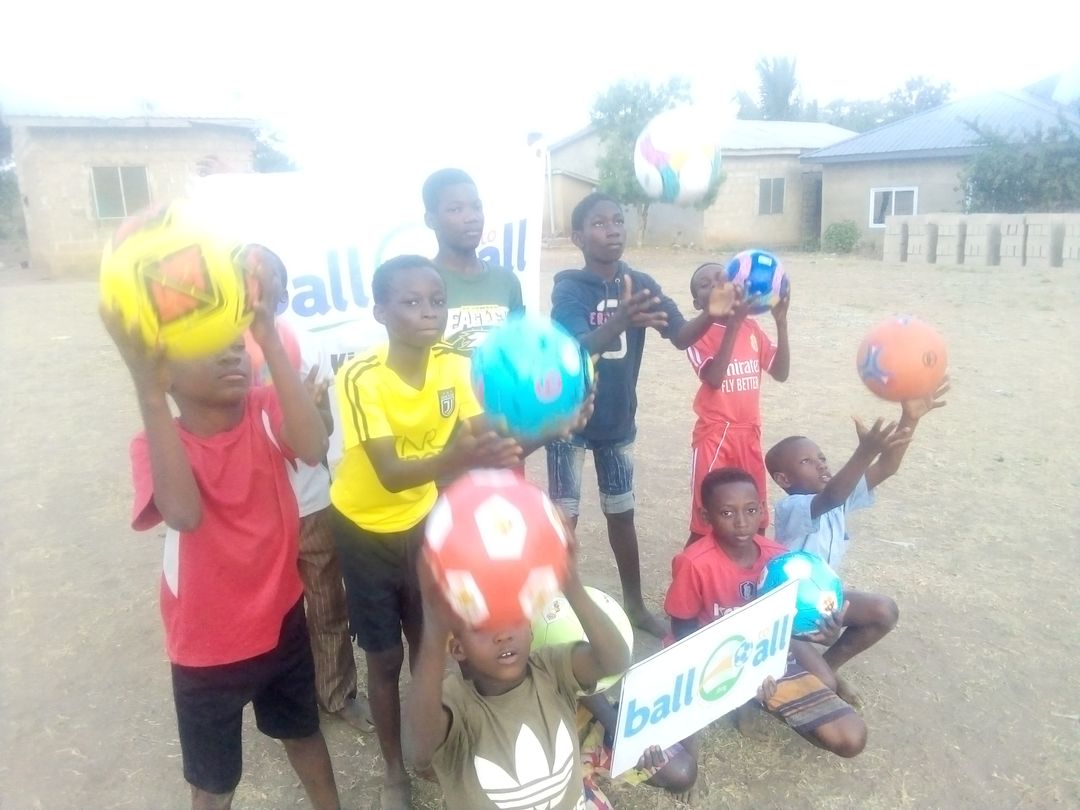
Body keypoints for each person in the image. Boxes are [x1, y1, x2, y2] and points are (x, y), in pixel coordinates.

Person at [104, 264, 340, 809]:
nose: (232, 351)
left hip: (281, 619)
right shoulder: (154, 445)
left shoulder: (264, 410)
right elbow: (184, 515)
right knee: (213, 783)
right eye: (208, 345)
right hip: (207, 646)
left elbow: (312, 446)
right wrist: (147, 392)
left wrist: (270, 341)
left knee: (303, 735)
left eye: (236, 342)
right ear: (166, 374)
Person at [331, 254, 522, 810]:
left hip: (423, 522)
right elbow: (391, 474)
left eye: (437, 301)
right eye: (411, 302)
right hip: (364, 529)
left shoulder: (454, 365)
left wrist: (546, 421)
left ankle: (426, 752)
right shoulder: (360, 377)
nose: (428, 312)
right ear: (380, 312)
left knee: (429, 644)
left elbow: (487, 437)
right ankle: (394, 769)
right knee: (384, 657)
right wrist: (456, 457)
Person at [547, 192, 734, 638]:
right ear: (578, 237)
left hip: (617, 420)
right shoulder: (569, 288)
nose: (612, 230)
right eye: (598, 223)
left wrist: (712, 314)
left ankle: (634, 605)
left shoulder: (641, 282)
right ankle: (553, 610)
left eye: (617, 220)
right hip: (569, 421)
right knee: (564, 521)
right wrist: (620, 320)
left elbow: (682, 336)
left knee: (622, 515)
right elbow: (576, 348)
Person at [402, 523, 631, 810]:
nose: (503, 635)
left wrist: (571, 583)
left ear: (531, 629)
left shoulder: (552, 669)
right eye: (483, 627)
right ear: (458, 649)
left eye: (513, 618)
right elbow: (418, 747)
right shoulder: (457, 705)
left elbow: (615, 660)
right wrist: (435, 632)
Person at [241, 244, 372, 732]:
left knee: (326, 601)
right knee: (270, 610)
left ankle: (336, 693)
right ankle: (282, 699)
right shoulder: (217, 352)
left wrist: (313, 410)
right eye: (244, 278)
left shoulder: (306, 346)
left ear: (283, 290)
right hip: (253, 509)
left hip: (309, 500)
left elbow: (324, 431)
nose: (255, 288)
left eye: (266, 279)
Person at [764, 381, 948, 703]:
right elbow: (832, 496)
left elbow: (887, 467)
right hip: (784, 613)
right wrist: (864, 452)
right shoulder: (791, 508)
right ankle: (812, 672)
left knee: (884, 611)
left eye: (821, 457)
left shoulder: (840, 497)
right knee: (805, 671)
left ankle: (829, 668)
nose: (821, 463)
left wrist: (910, 418)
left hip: (821, 601)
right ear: (784, 479)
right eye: (807, 461)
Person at [664, 468, 866, 759]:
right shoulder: (693, 563)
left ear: (762, 510)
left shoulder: (778, 558)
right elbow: (683, 632)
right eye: (727, 513)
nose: (742, 522)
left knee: (849, 736)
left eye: (750, 510)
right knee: (685, 747)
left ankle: (756, 702)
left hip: (764, 647)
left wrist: (824, 633)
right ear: (706, 517)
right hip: (710, 655)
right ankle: (739, 705)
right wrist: (742, 677)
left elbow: (789, 622)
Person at [685, 261, 790, 544]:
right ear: (698, 303)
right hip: (715, 436)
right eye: (705, 285)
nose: (716, 286)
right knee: (706, 523)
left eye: (721, 279)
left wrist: (781, 322)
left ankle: (751, 570)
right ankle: (689, 571)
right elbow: (714, 378)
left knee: (755, 518)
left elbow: (781, 373)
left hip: (749, 434)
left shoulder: (751, 328)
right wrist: (732, 325)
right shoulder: (697, 336)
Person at [423, 167, 525, 353]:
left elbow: (518, 350)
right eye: (456, 209)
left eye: (477, 207)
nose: (472, 218)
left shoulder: (506, 281)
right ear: (431, 220)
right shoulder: (419, 283)